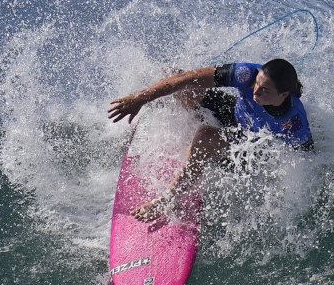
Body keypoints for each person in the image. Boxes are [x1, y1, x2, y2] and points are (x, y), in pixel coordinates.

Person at [108, 59, 313, 222]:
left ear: (284, 94)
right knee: (178, 79)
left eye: (264, 90)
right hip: (237, 115)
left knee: (205, 136)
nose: (255, 91)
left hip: (254, 147)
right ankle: (158, 108)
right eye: (257, 84)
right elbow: (187, 78)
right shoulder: (247, 74)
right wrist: (140, 99)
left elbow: (306, 159)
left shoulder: (293, 121)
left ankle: (169, 200)